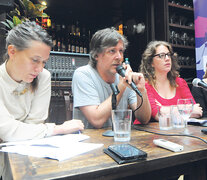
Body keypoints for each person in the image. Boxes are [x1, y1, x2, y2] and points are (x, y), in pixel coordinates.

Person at [0, 21, 84, 179]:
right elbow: (8, 130)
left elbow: (34, 124)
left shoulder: (43, 77)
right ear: (12, 51)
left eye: (44, 62)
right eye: (34, 60)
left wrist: (18, 132)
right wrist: (58, 129)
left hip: (25, 157)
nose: (39, 69)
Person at [72, 27, 151, 129]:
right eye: (112, 51)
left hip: (121, 139)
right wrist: (121, 86)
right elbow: (97, 120)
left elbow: (144, 119)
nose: (119, 57)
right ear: (96, 55)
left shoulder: (123, 76)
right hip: (91, 142)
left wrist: (142, 90)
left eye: (121, 51)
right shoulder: (83, 74)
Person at [139, 40, 203, 121]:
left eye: (168, 55)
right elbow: (158, 115)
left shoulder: (180, 82)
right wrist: (186, 109)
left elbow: (197, 111)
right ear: (151, 62)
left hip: (176, 131)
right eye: (161, 55)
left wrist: (164, 108)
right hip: (148, 132)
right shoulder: (145, 84)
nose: (167, 58)